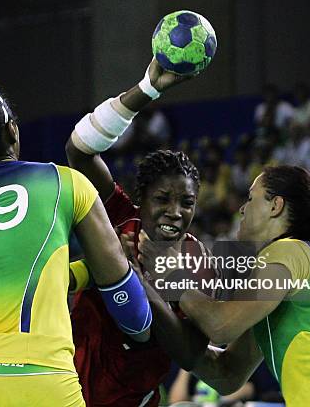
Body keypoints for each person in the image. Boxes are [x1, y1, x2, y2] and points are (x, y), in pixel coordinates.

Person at [0, 83, 152, 406]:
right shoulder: (65, 184)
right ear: (12, 130)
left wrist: (82, 273)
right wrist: (143, 332)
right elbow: (122, 293)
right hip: (40, 379)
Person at [141, 165, 310, 406]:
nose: (242, 209)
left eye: (251, 199)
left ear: (276, 206)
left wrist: (171, 272)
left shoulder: (287, 251)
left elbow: (221, 326)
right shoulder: (271, 281)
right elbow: (226, 374)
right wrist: (163, 318)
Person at [65, 59, 210, 406]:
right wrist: (147, 89)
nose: (176, 212)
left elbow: (190, 355)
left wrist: (132, 276)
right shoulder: (117, 215)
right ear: (141, 198)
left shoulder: (198, 264)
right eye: (163, 199)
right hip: (65, 389)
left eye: (187, 202)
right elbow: (79, 151)